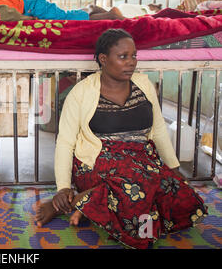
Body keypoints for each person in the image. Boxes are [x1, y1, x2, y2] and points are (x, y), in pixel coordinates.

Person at [35, 28, 207, 249]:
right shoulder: (81, 93)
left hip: (143, 160)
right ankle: (78, 200)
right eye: (123, 56)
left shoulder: (144, 85)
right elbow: (66, 142)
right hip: (97, 161)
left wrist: (173, 167)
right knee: (138, 188)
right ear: (103, 59)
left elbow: (159, 129)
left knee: (184, 199)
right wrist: (63, 187)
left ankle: (81, 203)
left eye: (133, 55)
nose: (131, 62)